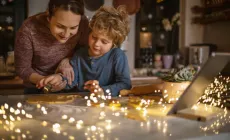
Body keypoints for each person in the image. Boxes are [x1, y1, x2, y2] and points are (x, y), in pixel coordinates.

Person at [36, 6, 132, 96]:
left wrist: (103, 91)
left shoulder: (117, 56)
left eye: (104, 41)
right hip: (81, 107)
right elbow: (70, 81)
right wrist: (59, 79)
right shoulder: (79, 54)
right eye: (94, 37)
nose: (97, 44)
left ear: (113, 43)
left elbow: (125, 84)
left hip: (109, 105)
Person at [15, 0, 90, 94]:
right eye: (60, 26)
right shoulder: (29, 28)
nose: (66, 34)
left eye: (73, 28)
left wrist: (68, 60)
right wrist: (44, 81)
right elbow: (22, 68)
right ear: (49, 17)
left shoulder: (83, 23)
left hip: (71, 85)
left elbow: (85, 51)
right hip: (36, 89)